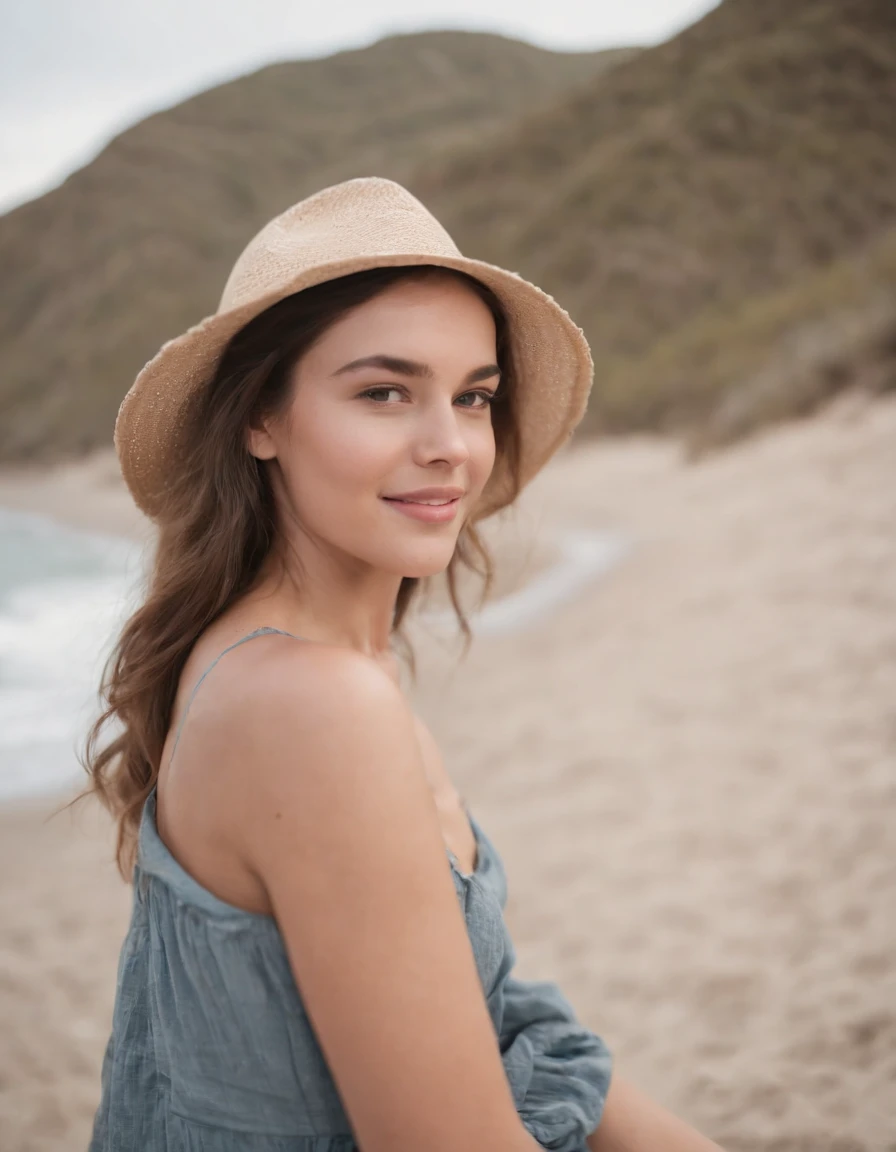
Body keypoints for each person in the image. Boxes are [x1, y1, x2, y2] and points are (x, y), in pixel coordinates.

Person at [80, 177, 723, 1151]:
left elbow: (498, 1018)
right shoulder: (310, 704)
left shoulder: (302, 669)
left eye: (473, 397)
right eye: (384, 393)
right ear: (260, 417)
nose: (451, 447)